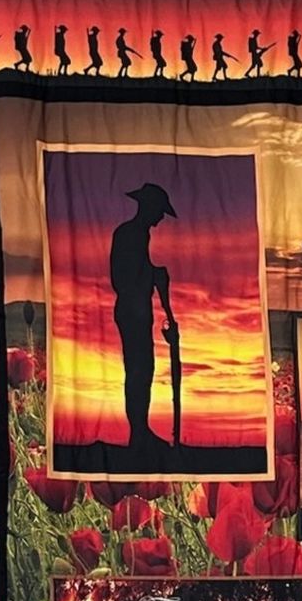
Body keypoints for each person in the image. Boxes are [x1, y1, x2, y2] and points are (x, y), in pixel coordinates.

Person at [110, 182, 178, 448]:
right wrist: (154, 274)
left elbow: (138, 269)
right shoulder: (130, 234)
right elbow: (123, 276)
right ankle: (138, 433)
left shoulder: (137, 235)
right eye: (160, 211)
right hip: (132, 310)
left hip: (138, 309)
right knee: (138, 369)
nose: (161, 217)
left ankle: (140, 429)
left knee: (143, 369)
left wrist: (153, 273)